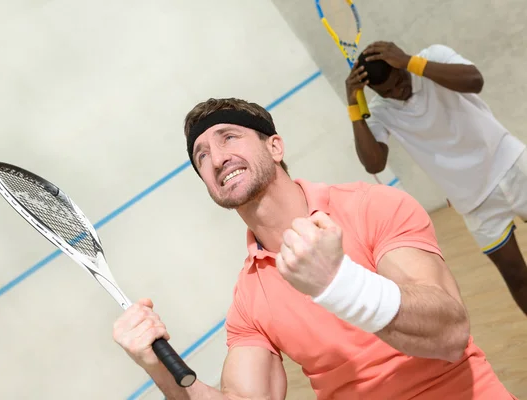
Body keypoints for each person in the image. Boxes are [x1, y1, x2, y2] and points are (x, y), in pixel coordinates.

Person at [112, 98, 516, 399]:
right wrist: (158, 367)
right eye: (201, 156)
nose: (217, 158)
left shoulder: (373, 206)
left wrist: (338, 283)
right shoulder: (249, 297)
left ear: (275, 147)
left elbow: (449, 333)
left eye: (228, 137)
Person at [345, 40, 527, 316]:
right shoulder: (381, 110)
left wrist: (410, 63)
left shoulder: (431, 58)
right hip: (474, 202)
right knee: (516, 276)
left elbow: (474, 80)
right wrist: (353, 107)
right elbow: (374, 162)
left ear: (400, 63)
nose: (398, 91)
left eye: (399, 80)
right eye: (387, 91)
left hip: (512, 166)